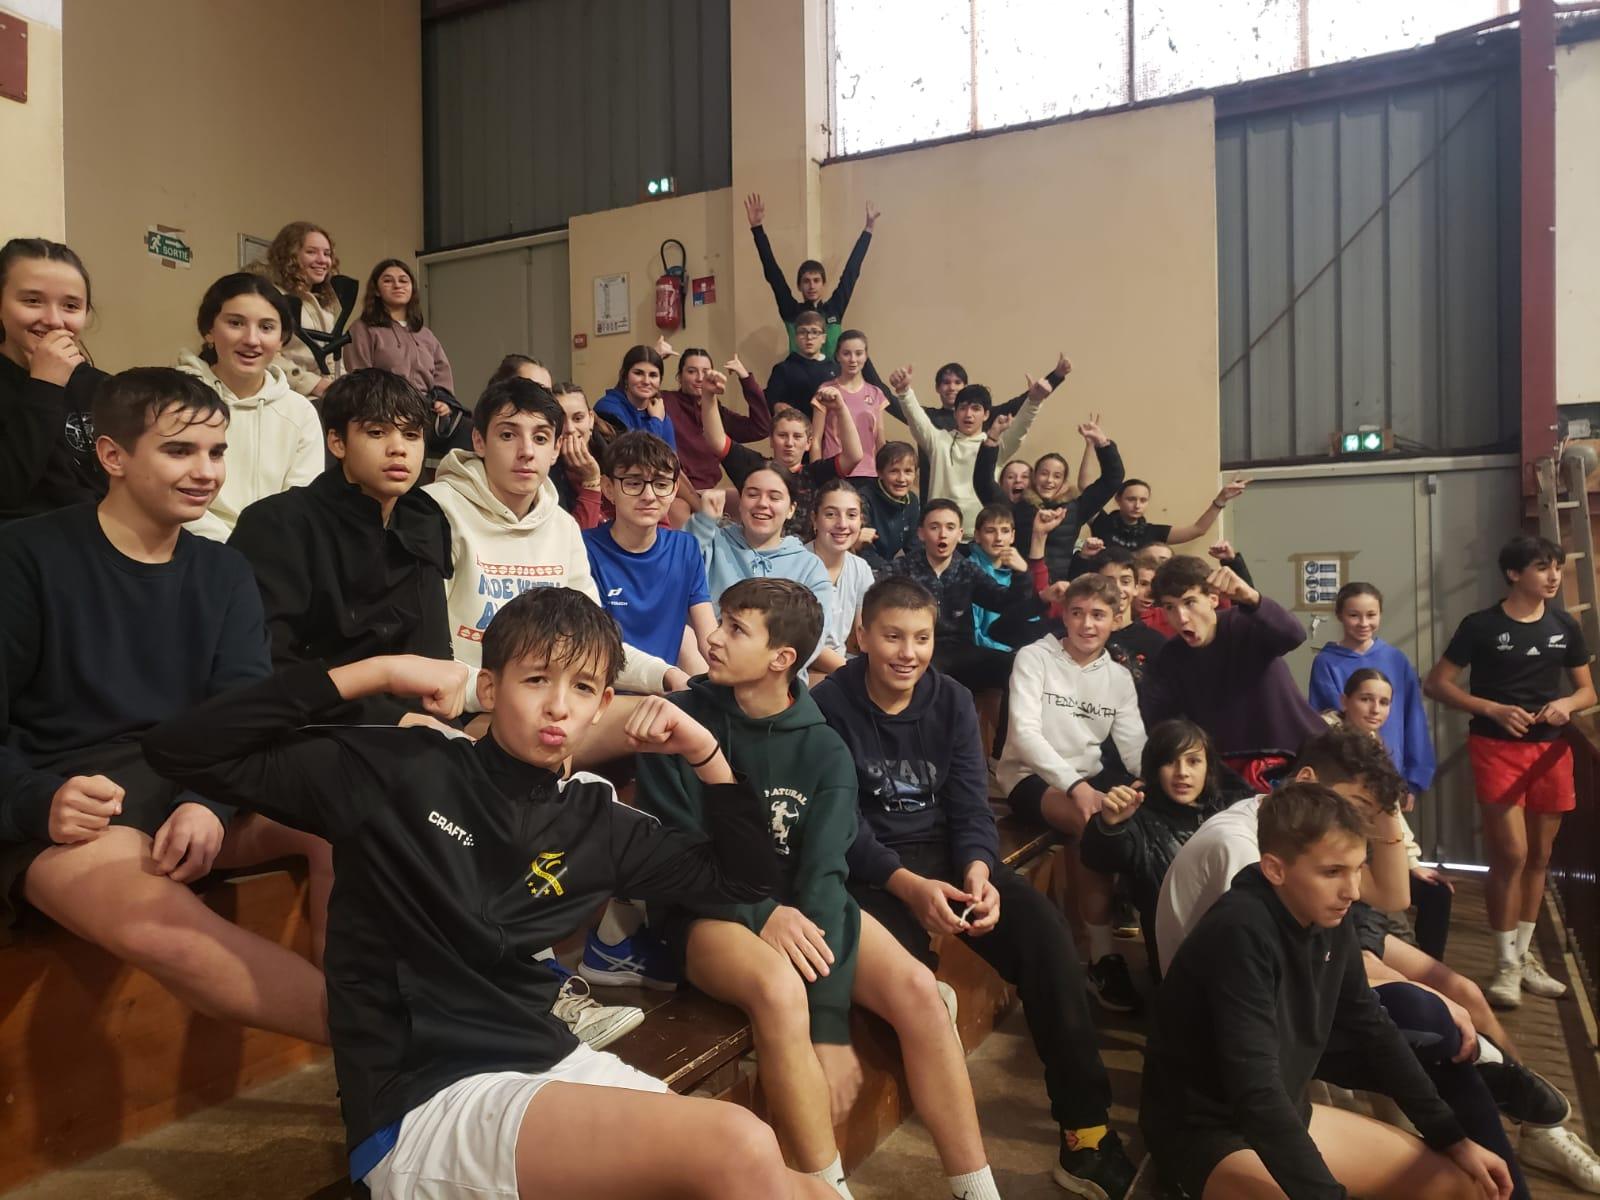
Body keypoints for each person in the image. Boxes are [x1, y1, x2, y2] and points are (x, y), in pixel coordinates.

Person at [142, 587, 843, 1200]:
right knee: (739, 1144)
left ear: (604, 704)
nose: (557, 707)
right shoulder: (401, 770)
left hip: (548, 1059)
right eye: (536, 679)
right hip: (423, 1098)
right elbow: (184, 748)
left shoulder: (594, 820)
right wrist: (377, 673)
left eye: (582, 688)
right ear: (489, 686)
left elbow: (744, 880)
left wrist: (706, 755)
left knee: (802, 1189)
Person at [0, 366, 330, 1042]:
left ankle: (377, 1057)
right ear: (112, 455)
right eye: (179, 450)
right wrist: (37, 801)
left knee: (357, 816)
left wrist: (208, 801)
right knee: (164, 929)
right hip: (70, 805)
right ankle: (407, 1056)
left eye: (216, 452)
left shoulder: (224, 569)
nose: (205, 471)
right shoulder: (25, 556)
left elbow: (242, 711)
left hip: (194, 787)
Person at [814, 577, 1138, 1199]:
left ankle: (1086, 1133)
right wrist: (908, 886)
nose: (908, 652)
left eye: (921, 638)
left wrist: (980, 872)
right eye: (892, 636)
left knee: (1046, 938)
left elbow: (969, 805)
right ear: (862, 635)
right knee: (910, 981)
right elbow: (841, 827)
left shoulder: (954, 700)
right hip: (870, 871)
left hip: (949, 857)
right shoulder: (828, 704)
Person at [1141, 782, 1514, 1200]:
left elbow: (1374, 1029)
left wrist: (1453, 1138)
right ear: (1275, 869)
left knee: (1461, 1186)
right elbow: (1255, 1089)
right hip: (1204, 1130)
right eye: (1332, 872)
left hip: (1284, 1110)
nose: (1352, 890)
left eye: (1357, 868)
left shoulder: (1327, 916)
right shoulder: (1239, 932)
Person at [1424, 534, 1595, 1009]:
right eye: (1542, 567)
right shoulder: (1480, 625)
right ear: (1514, 574)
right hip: (1495, 748)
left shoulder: (1564, 625)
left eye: (1556, 566)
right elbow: (1436, 684)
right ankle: (1503, 964)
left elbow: (1587, 691)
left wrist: (1567, 704)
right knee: (1511, 855)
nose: (1554, 576)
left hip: (1551, 751)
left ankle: (1522, 957)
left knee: (1540, 856)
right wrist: (1491, 708)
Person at [229, 369, 452, 724]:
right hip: (309, 724)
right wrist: (390, 720)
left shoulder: (422, 520)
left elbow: (433, 656)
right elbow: (272, 666)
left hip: (412, 725)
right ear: (337, 442)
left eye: (411, 434)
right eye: (377, 432)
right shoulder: (278, 523)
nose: (399, 448)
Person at [995, 573, 1146, 1011]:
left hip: (1086, 780)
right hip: (1028, 776)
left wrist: (1153, 778)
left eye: (1098, 615)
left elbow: (1135, 748)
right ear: (1064, 615)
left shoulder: (1118, 677)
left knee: (1138, 818)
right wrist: (1076, 786)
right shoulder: (1034, 657)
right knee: (1093, 824)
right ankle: (1102, 957)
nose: (1086, 624)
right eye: (1077, 613)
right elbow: (1024, 735)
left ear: (1115, 618)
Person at [1141, 556, 1324, 791]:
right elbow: (1162, 723)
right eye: (1169, 607)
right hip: (1229, 773)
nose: (1181, 617)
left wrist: (1252, 599)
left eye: (1190, 602)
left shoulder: (1244, 623)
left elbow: (1294, 635)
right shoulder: (1170, 657)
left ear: (1213, 599)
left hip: (1296, 754)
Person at [177, 272, 322, 541]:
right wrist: (232, 551)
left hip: (275, 551)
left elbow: (302, 504)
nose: (252, 339)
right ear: (209, 330)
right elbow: (172, 492)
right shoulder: (176, 401)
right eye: (236, 323)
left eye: (266, 327)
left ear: (281, 339)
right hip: (192, 547)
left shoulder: (300, 412)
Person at [1079, 720, 1228, 979]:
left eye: (1193, 761)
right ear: (1154, 768)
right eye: (1170, 762)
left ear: (1208, 768)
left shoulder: (1225, 812)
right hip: (1176, 966)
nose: (1182, 772)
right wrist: (1109, 824)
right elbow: (1098, 858)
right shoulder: (1139, 818)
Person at [1326, 668, 1453, 960]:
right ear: (1345, 701)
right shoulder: (1329, 740)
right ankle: (1406, 965)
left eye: (1383, 703)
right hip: (1347, 852)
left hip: (1377, 847)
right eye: (1366, 699)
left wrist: (1411, 861)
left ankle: (1428, 968)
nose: (1375, 709)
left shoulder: (1374, 741)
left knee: (1436, 890)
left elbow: (1390, 812)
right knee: (1393, 919)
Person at [584, 431, 716, 678]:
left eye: (661, 484)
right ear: (608, 488)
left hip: (669, 689)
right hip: (607, 688)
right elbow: (590, 648)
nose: (649, 496)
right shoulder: (585, 549)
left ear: (674, 490)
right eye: (633, 483)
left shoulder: (685, 548)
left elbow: (710, 639)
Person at [688, 462, 838, 673]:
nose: (762, 503)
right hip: (706, 670)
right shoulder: (711, 542)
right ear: (740, 502)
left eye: (774, 497)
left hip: (777, 679)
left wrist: (765, 671)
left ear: (791, 509)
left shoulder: (810, 567)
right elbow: (675, 572)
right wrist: (702, 522)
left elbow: (812, 638)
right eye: (752, 494)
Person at [0, 237, 107, 522]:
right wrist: (45, 386)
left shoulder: (105, 388)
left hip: (103, 536)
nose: (54, 320)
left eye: (71, 306)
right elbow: (7, 491)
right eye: (32, 301)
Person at [889, 499, 1044, 692]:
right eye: (934, 527)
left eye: (950, 527)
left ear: (960, 534)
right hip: (918, 648)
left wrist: (1022, 573)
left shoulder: (967, 569)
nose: (943, 534)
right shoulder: (901, 569)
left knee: (1015, 665)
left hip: (961, 649)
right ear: (921, 533)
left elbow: (1004, 601)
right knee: (927, 675)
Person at [887, 367, 1050, 539]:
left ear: (986, 415)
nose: (968, 414)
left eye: (976, 409)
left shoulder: (993, 445)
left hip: (983, 537)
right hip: (942, 535)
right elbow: (916, 419)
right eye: (963, 408)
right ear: (955, 413)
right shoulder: (938, 441)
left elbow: (1020, 429)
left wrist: (1034, 401)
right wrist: (904, 391)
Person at [1309, 582, 1437, 799]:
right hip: (1346, 778)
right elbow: (1325, 724)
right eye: (1354, 615)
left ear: (1380, 614)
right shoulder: (1326, 662)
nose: (1363, 623)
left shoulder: (1396, 659)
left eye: (1371, 615)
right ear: (1339, 615)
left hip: (1392, 778)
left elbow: (1413, 719)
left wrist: (1414, 779)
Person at [975, 418, 1124, 584]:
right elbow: (983, 482)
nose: (1049, 481)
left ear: (1064, 481)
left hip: (1060, 588)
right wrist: (992, 438)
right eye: (1044, 474)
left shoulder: (1076, 508)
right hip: (1020, 585)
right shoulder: (1018, 507)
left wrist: (1102, 443)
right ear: (1034, 477)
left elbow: (1113, 479)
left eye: (1057, 476)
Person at [343, 259, 463, 451]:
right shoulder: (363, 329)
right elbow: (359, 376)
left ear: (412, 288)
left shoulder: (425, 334)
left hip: (427, 410)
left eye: (403, 280)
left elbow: (442, 373)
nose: (397, 285)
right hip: (384, 411)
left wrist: (443, 402)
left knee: (472, 431)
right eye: (388, 280)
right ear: (376, 290)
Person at [745, 192, 878, 357]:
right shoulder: (792, 311)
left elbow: (851, 271)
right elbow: (773, 273)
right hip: (800, 372)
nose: (812, 286)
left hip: (833, 373)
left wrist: (868, 230)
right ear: (799, 286)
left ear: (823, 284)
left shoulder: (834, 309)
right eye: (806, 281)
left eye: (816, 280)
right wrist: (757, 229)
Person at [251, 221, 356, 400]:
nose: (322, 260)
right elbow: (264, 354)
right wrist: (312, 383)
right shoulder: (271, 298)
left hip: (321, 398)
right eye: (311, 252)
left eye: (327, 253)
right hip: (283, 395)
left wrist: (341, 387)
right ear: (289, 256)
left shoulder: (322, 304)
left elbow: (331, 355)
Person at [656, 347, 772, 492]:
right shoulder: (665, 401)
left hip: (708, 491)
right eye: (692, 371)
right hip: (673, 490)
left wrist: (745, 378)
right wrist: (653, 358)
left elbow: (761, 428)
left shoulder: (718, 414)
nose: (700, 378)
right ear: (680, 377)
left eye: (706, 372)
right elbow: (635, 394)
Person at [1088, 476, 1249, 555]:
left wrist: (1221, 500)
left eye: (1143, 500)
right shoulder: (1102, 522)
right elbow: (1086, 488)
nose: (1137, 505)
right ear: (1118, 500)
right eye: (1131, 499)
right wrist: (1090, 445)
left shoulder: (1153, 532)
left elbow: (1198, 529)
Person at [809, 479, 875, 664]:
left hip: (841, 665)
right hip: (800, 669)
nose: (842, 524)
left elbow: (866, 633)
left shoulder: (860, 568)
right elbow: (805, 645)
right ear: (814, 519)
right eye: (831, 514)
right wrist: (849, 672)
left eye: (852, 515)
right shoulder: (797, 565)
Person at [819, 330, 886, 480]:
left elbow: (880, 440)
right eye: (846, 353)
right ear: (838, 356)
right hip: (835, 471)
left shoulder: (876, 393)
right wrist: (815, 477)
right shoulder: (827, 391)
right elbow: (816, 440)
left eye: (859, 353)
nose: (853, 359)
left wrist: (883, 475)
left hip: (868, 474)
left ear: (866, 356)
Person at [857, 441, 920, 573]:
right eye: (894, 471)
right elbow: (864, 552)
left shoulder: (912, 501)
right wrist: (894, 572)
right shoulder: (863, 500)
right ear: (880, 473)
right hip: (863, 569)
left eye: (908, 471)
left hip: (889, 569)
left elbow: (915, 547)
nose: (901, 479)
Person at [550, 381, 607, 527]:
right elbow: (574, 537)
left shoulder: (618, 456)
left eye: (578, 418)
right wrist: (591, 481)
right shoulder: (545, 475)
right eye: (560, 420)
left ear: (591, 419)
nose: (570, 429)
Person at [595, 344, 676, 447]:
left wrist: (657, 418)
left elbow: (671, 455)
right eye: (638, 373)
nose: (646, 381)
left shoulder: (660, 413)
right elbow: (637, 454)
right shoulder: (608, 408)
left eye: (653, 375)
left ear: (660, 380)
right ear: (625, 376)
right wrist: (656, 421)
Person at [764, 309, 841, 416]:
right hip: (795, 424)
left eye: (815, 332)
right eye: (803, 332)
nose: (809, 337)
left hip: (829, 425)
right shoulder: (783, 369)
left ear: (823, 338)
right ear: (795, 337)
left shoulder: (835, 369)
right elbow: (769, 399)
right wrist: (776, 405)